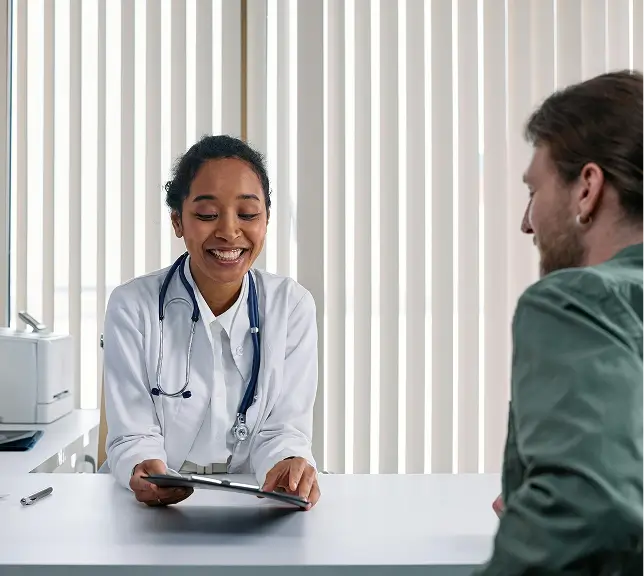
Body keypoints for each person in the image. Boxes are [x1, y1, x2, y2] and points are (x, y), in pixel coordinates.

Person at [477, 70, 644, 574]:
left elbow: (585, 512)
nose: (527, 221)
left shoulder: (578, 301)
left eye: (535, 189)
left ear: (587, 188)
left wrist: (549, 504)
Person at [102, 135, 321, 509]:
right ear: (177, 221)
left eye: (248, 214)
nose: (229, 231)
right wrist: (144, 467)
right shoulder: (132, 305)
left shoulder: (291, 305)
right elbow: (132, 434)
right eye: (206, 215)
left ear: (266, 220)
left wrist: (288, 465)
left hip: (255, 502)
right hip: (150, 511)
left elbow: (284, 429)